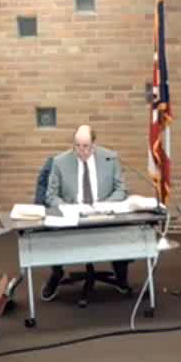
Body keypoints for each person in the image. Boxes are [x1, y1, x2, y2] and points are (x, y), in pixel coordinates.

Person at [41, 124, 132, 301]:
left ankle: (121, 276)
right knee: (52, 237)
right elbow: (51, 196)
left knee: (124, 233)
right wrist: (68, 208)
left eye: (86, 146)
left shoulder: (110, 158)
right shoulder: (59, 162)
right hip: (73, 217)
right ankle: (57, 274)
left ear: (94, 144)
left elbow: (121, 190)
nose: (81, 151)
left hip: (103, 214)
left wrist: (104, 205)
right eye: (77, 146)